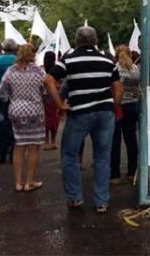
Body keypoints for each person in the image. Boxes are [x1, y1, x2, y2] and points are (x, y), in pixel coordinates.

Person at [46, 26, 122, 214]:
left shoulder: (69, 59)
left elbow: (48, 80)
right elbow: (118, 88)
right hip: (104, 113)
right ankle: (101, 201)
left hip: (79, 113)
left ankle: (75, 198)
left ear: (76, 40)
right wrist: (112, 107)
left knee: (69, 155)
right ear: (95, 41)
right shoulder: (108, 60)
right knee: (103, 158)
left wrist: (60, 104)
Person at [0, 45, 46, 192]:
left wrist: (10, 98)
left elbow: (2, 93)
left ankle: (18, 182)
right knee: (33, 147)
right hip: (35, 111)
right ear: (33, 55)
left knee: (18, 146)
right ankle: (29, 182)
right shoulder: (39, 71)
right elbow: (45, 91)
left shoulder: (10, 71)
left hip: (16, 111)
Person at [110, 45, 140, 184]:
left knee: (115, 141)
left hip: (118, 107)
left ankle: (115, 175)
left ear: (116, 56)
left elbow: (115, 89)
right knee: (131, 140)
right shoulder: (135, 69)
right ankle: (132, 172)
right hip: (132, 106)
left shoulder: (115, 69)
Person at [0, 38, 17, 164]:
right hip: (14, 97)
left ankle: (1, 155)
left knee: (0, 125)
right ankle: (13, 153)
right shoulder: (17, 60)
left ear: (3, 48)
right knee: (14, 125)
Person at [42, 51, 59, 151]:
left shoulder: (41, 70)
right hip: (54, 96)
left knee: (46, 119)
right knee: (54, 118)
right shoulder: (56, 69)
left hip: (44, 97)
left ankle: (46, 142)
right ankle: (54, 141)